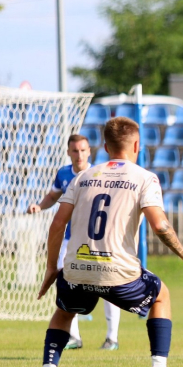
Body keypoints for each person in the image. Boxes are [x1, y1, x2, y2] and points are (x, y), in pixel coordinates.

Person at [29, 117, 183, 367]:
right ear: (137, 145)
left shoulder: (82, 177)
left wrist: (53, 268)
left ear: (104, 147)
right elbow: (160, 225)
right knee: (161, 295)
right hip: (117, 272)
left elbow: (56, 225)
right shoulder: (144, 178)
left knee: (64, 313)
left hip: (76, 268)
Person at [27, 134, 122, 351]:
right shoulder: (63, 174)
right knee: (66, 281)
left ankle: (112, 337)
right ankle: (74, 336)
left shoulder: (100, 173)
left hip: (98, 239)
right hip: (71, 239)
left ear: (89, 151)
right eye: (75, 151)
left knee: (107, 283)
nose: (79, 155)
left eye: (83, 150)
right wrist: (40, 206)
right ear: (69, 152)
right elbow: (53, 196)